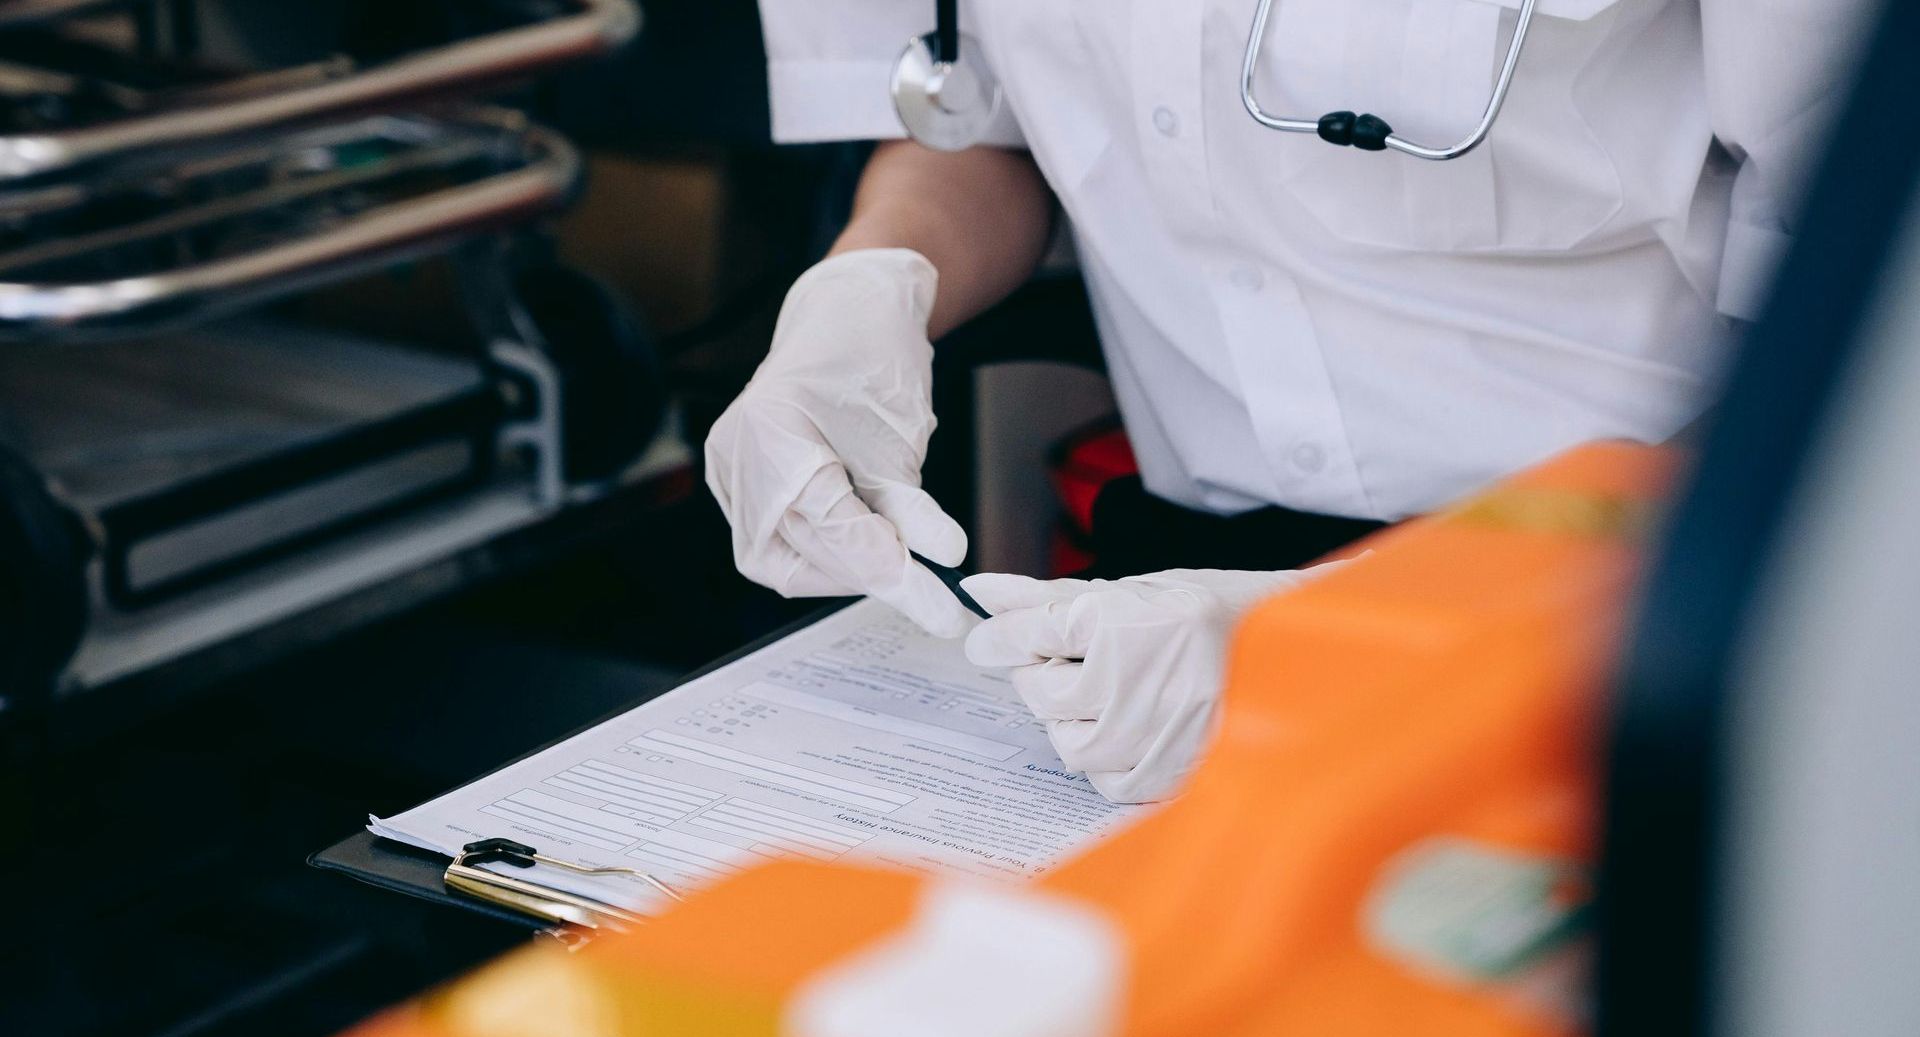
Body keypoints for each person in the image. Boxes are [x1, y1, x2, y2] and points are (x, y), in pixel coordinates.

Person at [705, 0, 1866, 802]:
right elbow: (966, 112)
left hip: (1661, 603)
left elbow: (1862, 367)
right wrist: (868, 288)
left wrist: (1357, 638)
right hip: (1183, 616)